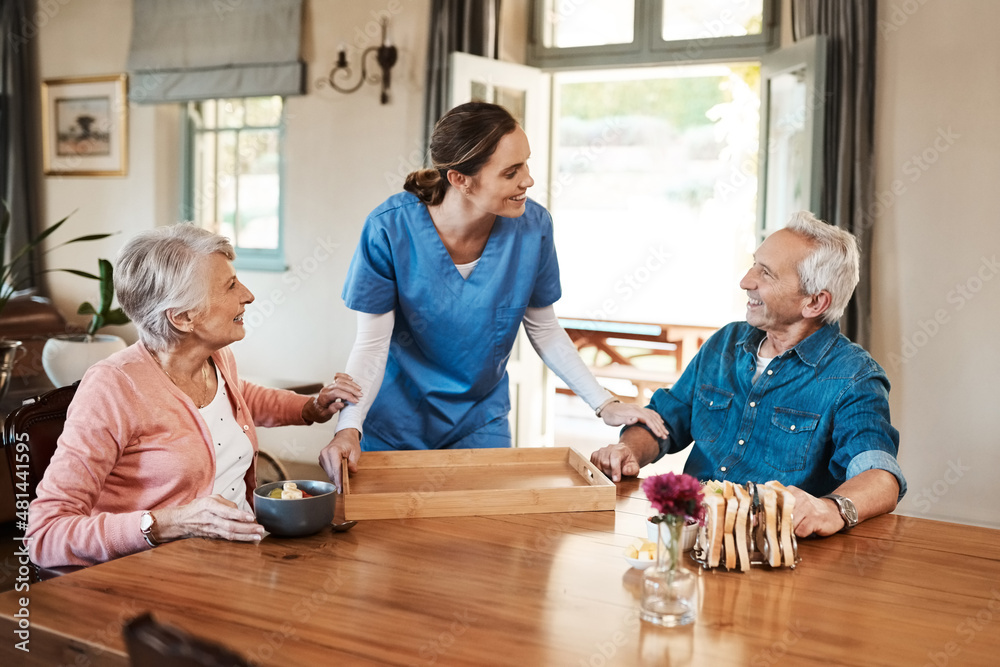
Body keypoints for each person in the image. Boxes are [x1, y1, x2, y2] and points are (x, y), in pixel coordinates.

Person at [320, 102, 666, 490]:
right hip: (396, 421)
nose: (529, 181)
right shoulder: (389, 229)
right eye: (511, 172)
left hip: (479, 421)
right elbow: (371, 344)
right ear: (461, 179)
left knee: (486, 541)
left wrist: (605, 403)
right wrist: (349, 427)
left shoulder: (533, 227)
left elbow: (545, 330)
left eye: (527, 165)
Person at [27, 225, 362, 567]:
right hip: (161, 575)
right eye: (230, 286)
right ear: (184, 317)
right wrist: (166, 523)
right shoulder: (112, 388)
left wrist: (311, 407)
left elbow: (239, 398)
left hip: (239, 555)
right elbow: (45, 534)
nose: (248, 295)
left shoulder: (215, 359)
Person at [590, 211, 907, 537]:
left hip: (774, 550)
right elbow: (665, 420)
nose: (745, 281)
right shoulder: (725, 343)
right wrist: (629, 451)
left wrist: (831, 509)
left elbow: (880, 475)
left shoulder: (854, 377)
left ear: (814, 302)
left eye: (766, 273)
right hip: (690, 535)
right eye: (755, 263)